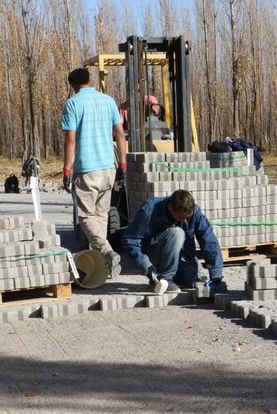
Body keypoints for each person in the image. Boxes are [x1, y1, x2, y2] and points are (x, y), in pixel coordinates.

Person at [60, 68, 127, 278]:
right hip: (109, 167)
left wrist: (66, 168)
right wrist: (122, 165)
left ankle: (107, 252)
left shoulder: (73, 104)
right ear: (90, 81)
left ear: (73, 85)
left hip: (87, 168)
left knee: (86, 217)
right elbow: (120, 134)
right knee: (100, 216)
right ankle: (104, 266)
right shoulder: (108, 101)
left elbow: (70, 140)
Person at [122, 189, 225, 294]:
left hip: (179, 258)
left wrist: (216, 274)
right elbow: (130, 239)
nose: (184, 220)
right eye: (181, 217)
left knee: (193, 277)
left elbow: (209, 240)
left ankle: (160, 280)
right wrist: (145, 264)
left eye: (187, 217)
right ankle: (165, 278)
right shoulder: (149, 210)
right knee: (177, 233)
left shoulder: (195, 213)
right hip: (155, 256)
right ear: (170, 207)